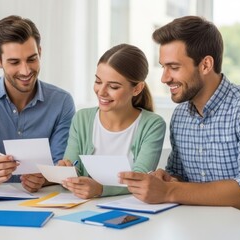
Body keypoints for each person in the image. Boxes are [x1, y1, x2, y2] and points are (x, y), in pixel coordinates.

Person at [118, 16, 240, 240]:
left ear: (205, 65)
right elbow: (179, 176)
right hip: (200, 230)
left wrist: (169, 191)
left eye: (173, 67)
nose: (164, 78)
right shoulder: (181, 115)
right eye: (163, 67)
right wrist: (166, 179)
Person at [0, 15, 75, 193]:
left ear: (40, 53)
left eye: (32, 59)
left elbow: (60, 163)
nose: (26, 70)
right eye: (14, 62)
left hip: (42, 200)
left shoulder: (61, 102)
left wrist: (42, 179)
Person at [59, 44, 166, 199]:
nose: (101, 92)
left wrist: (101, 189)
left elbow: (140, 180)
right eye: (98, 81)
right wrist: (67, 172)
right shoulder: (82, 118)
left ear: (137, 89)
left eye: (113, 86)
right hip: (82, 210)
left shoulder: (152, 125)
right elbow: (72, 170)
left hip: (131, 212)